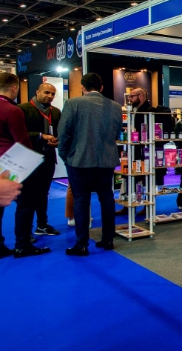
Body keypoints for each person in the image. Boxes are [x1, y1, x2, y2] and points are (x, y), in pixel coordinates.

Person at [59, 73, 123, 256]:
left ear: (82, 87)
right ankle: (108, 239)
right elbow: (117, 133)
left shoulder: (73, 103)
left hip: (79, 160)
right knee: (107, 198)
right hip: (106, 160)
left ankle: (81, 244)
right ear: (101, 87)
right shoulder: (116, 107)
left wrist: (65, 155)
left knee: (81, 200)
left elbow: (63, 133)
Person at [0, 72, 51, 260]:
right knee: (25, 205)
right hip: (12, 166)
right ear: (14, 88)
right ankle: (22, 245)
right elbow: (23, 142)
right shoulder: (12, 111)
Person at [18, 82, 61, 237]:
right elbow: (19, 135)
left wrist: (56, 140)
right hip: (28, 159)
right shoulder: (22, 109)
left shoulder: (55, 112)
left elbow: (58, 133)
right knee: (26, 197)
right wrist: (41, 136)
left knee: (43, 194)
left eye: (52, 94)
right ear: (37, 92)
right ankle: (25, 232)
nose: (49, 96)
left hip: (48, 158)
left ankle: (42, 225)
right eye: (46, 92)